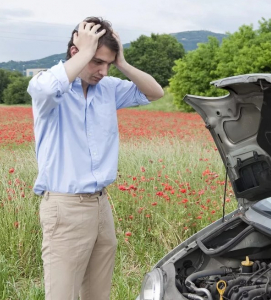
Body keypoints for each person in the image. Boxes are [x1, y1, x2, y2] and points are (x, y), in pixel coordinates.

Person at [27, 17, 164, 300]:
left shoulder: (109, 88)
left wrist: (122, 64)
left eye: (108, 64)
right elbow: (43, 89)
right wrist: (86, 51)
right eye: (97, 61)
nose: (102, 71)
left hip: (101, 204)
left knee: (98, 294)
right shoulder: (51, 88)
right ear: (77, 51)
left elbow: (155, 92)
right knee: (61, 294)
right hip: (65, 207)